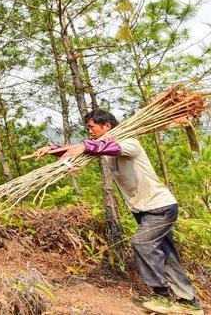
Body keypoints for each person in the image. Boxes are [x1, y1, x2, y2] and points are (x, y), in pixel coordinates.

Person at [31, 109, 202, 315]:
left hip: (160, 207)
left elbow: (102, 147)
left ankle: (162, 295)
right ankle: (189, 302)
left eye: (92, 127)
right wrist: (52, 149)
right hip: (143, 209)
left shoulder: (130, 143)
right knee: (166, 253)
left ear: (107, 126)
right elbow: (85, 150)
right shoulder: (103, 147)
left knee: (142, 243)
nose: (89, 131)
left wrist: (85, 145)